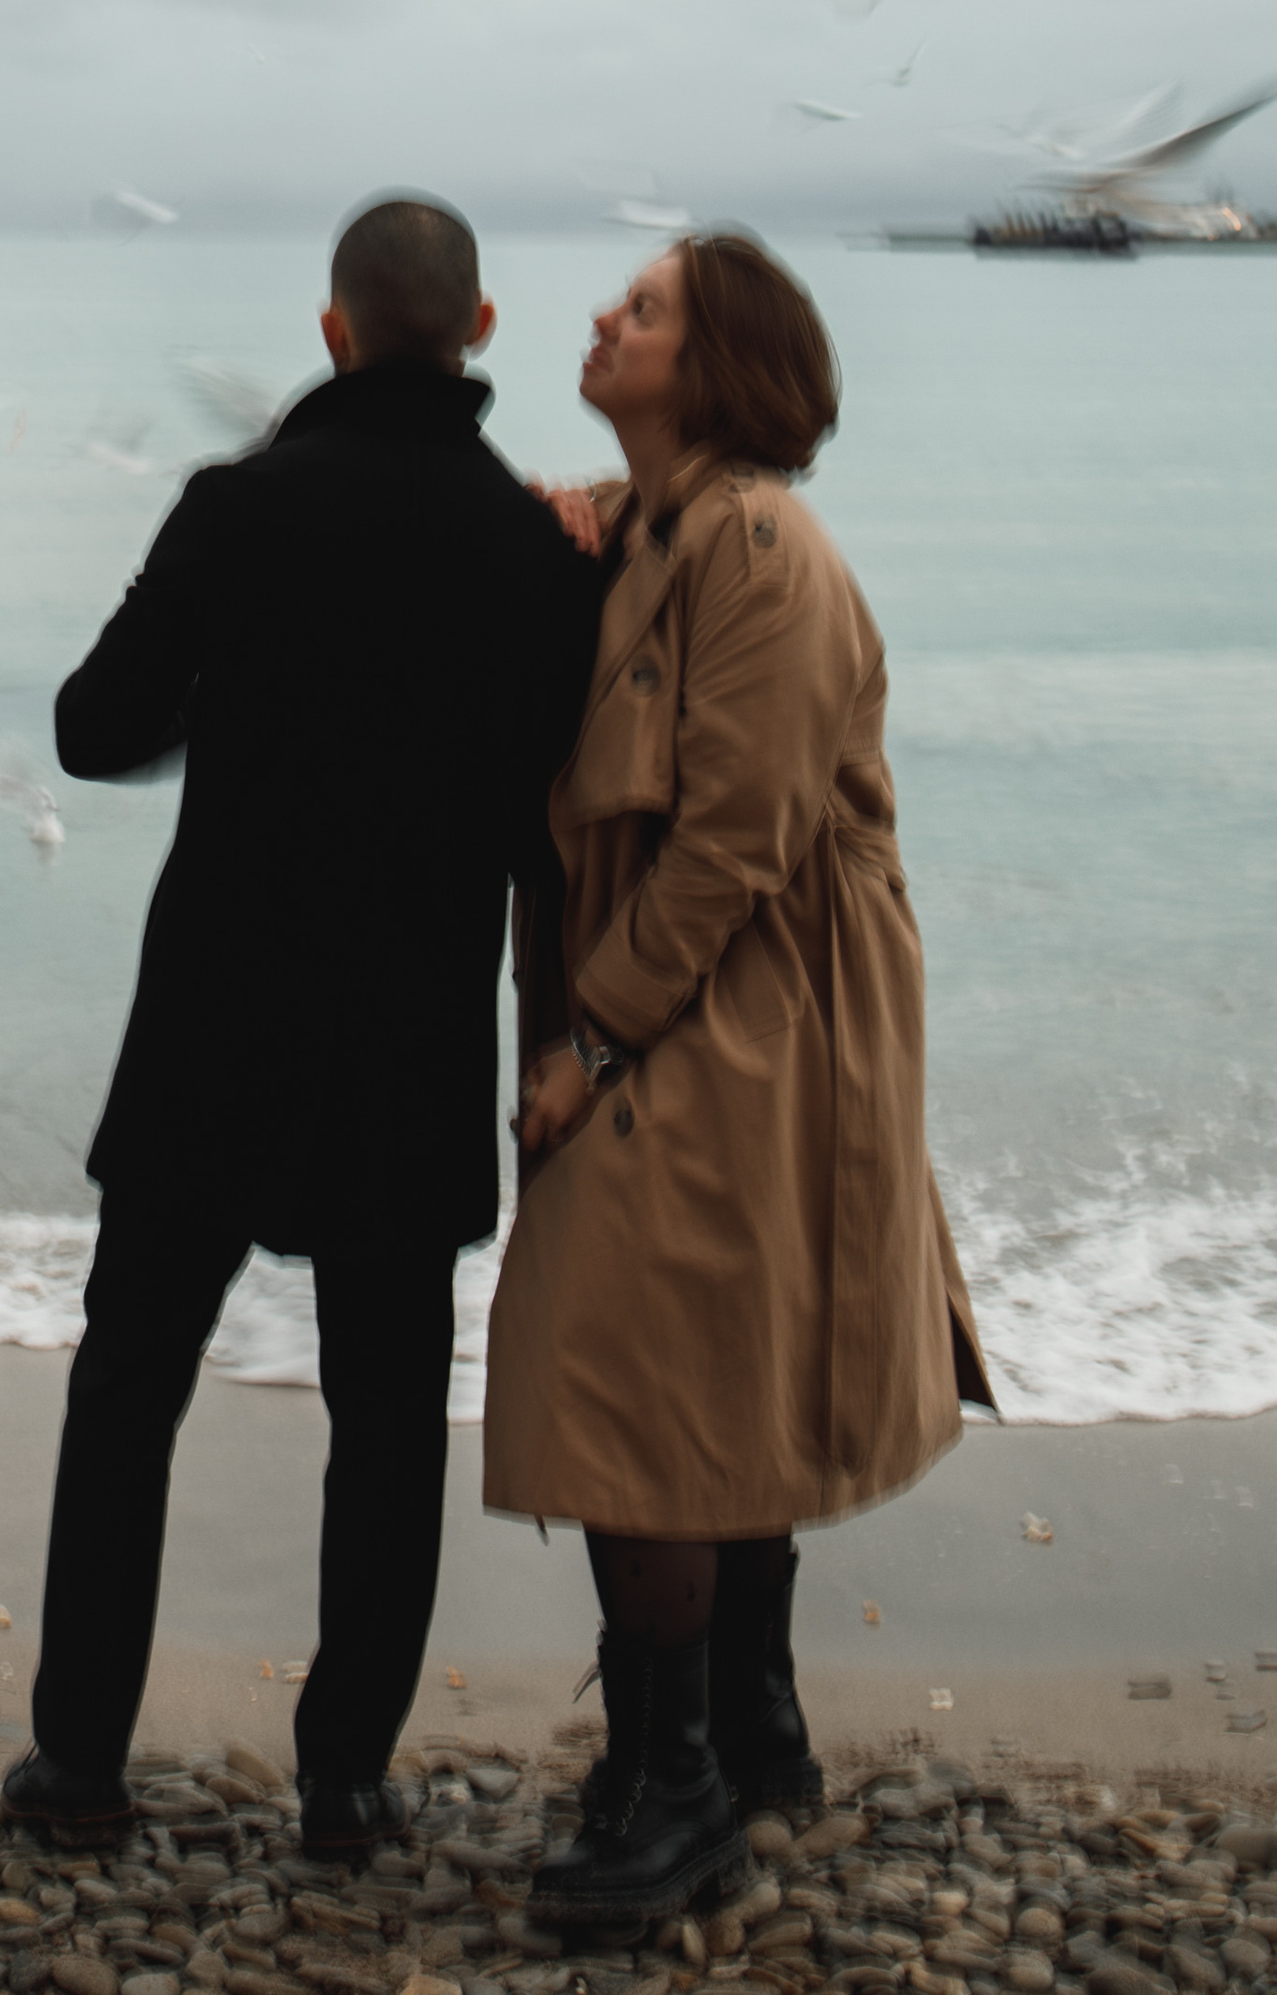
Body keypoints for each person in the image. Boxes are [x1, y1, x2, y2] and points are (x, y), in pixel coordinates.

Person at [2, 195, 602, 1860]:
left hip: (218, 1012)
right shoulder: (536, 557)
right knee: (388, 1416)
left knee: (130, 1388)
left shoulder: (238, 507)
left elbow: (87, 728)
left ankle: (79, 1764)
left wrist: (235, 706)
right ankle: (346, 1778)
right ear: (480, 329)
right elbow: (559, 804)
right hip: (411, 1031)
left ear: (334, 330)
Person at [485, 233, 993, 1928]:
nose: (603, 319)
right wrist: (582, 506)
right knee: (716, 1358)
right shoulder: (669, 525)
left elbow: (736, 843)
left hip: (752, 1008)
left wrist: (590, 1043)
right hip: (716, 999)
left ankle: (679, 1788)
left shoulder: (764, 547)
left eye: (641, 310)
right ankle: (736, 1735)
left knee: (637, 1374)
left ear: (714, 368)